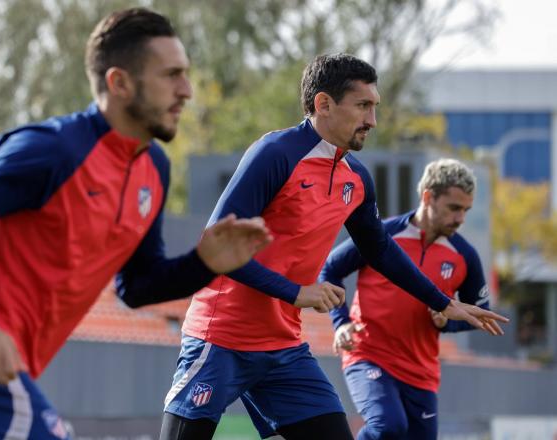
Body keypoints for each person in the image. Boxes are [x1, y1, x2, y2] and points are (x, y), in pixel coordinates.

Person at [0, 8, 273, 440]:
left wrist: (203, 264)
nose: (186, 90)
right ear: (119, 83)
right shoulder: (54, 150)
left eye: (185, 75)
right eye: (171, 75)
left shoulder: (154, 169)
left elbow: (136, 287)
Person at [159, 53, 507, 440]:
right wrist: (296, 292)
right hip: (220, 336)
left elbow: (380, 249)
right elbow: (216, 246)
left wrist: (442, 302)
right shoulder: (275, 153)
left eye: (375, 107)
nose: (372, 120)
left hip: (283, 346)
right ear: (324, 104)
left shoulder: (356, 178)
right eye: (363, 106)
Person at [322, 158, 493, 440]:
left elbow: (480, 312)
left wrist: (446, 323)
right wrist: (340, 322)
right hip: (369, 356)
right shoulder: (381, 236)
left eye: (466, 210)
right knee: (388, 427)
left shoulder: (465, 255)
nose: (461, 218)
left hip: (421, 374)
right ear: (428, 197)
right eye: (454, 208)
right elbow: (330, 269)